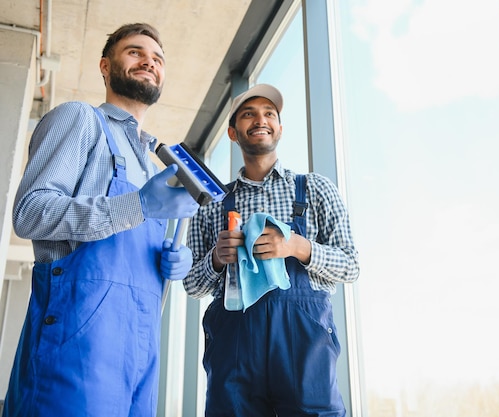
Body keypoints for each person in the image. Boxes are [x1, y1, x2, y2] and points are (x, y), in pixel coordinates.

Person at [2, 23, 198, 417]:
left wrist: (175, 261)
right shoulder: (80, 120)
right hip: (77, 345)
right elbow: (29, 213)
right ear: (105, 67)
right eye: (135, 53)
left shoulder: (151, 160)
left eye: (157, 59)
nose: (149, 62)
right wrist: (138, 206)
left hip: (141, 353)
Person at [183, 83, 360, 416]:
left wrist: (298, 246)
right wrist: (217, 258)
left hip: (304, 340)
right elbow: (192, 285)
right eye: (248, 114)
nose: (260, 120)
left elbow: (351, 266)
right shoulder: (211, 203)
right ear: (233, 133)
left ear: (279, 128)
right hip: (234, 343)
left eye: (269, 114)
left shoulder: (316, 190)